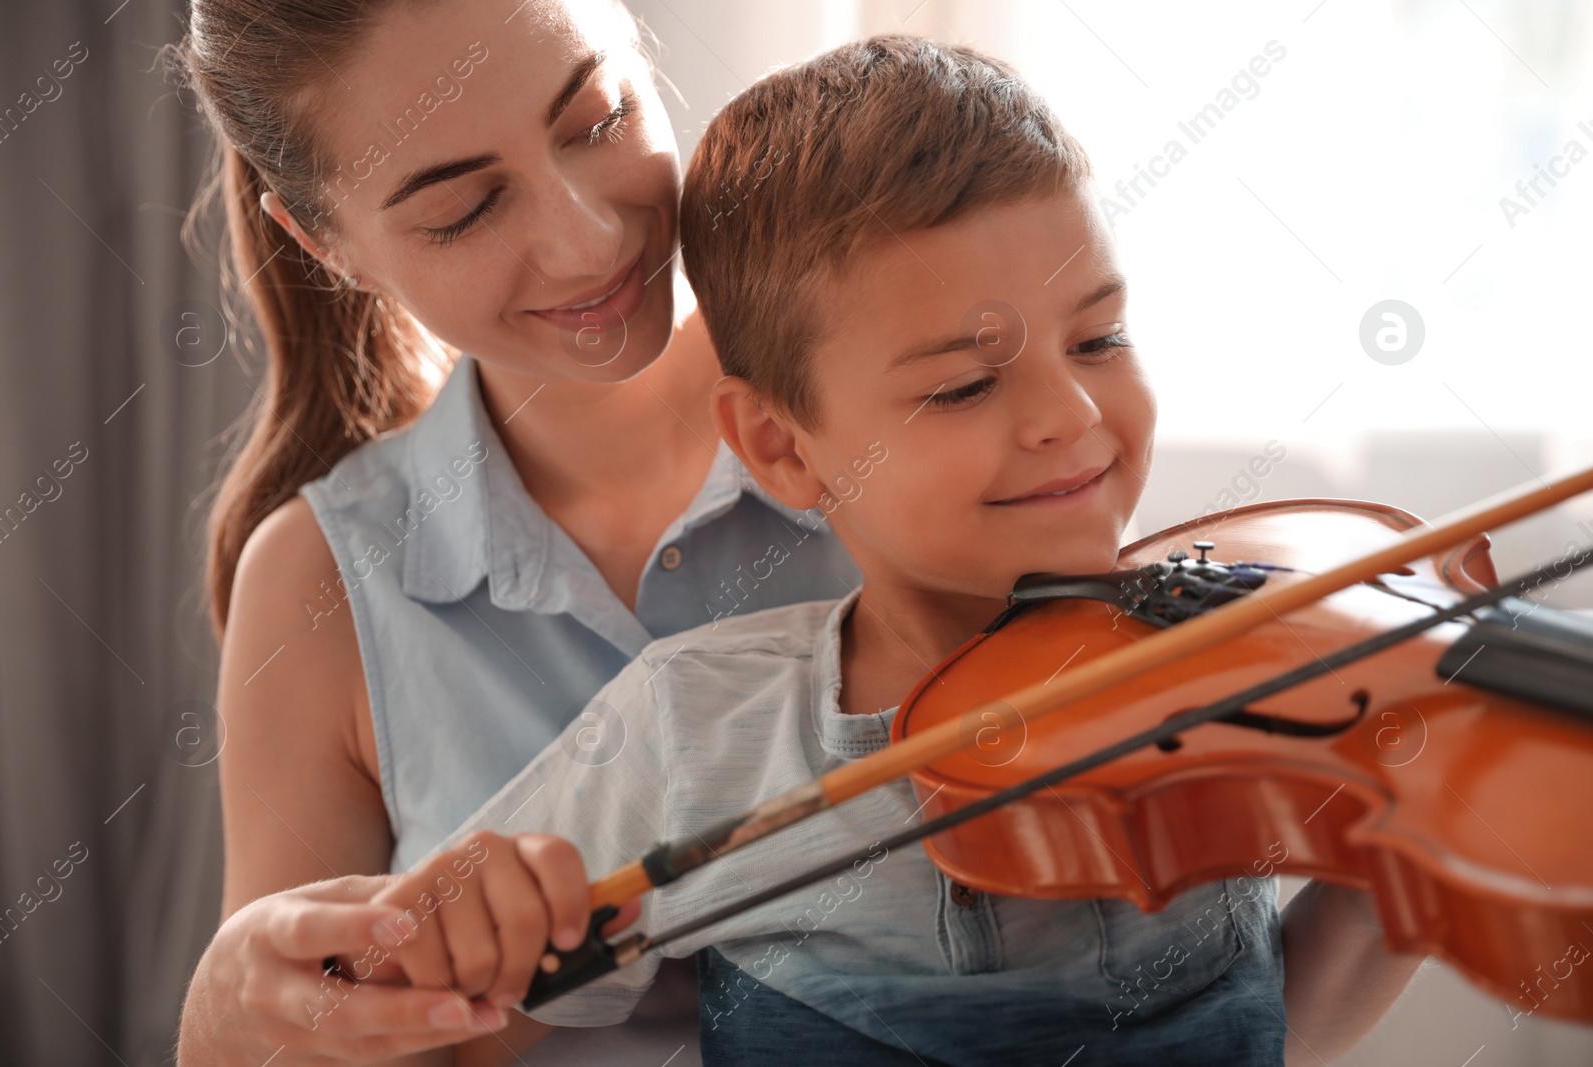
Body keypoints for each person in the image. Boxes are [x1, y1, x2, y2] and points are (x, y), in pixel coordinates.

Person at [371, 33, 1426, 1067]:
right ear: (781, 448)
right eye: (964, 385)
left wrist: (1436, 813)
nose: (1069, 413)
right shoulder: (691, 729)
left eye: (1098, 339)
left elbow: (1270, 1015)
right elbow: (438, 1032)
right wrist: (443, 935)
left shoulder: (1229, 664)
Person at [171, 0, 859, 1064]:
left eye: (595, 118)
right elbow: (310, 1033)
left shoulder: (906, 404)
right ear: (327, 244)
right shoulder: (315, 582)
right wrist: (227, 1025)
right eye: (463, 208)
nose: (588, 238)